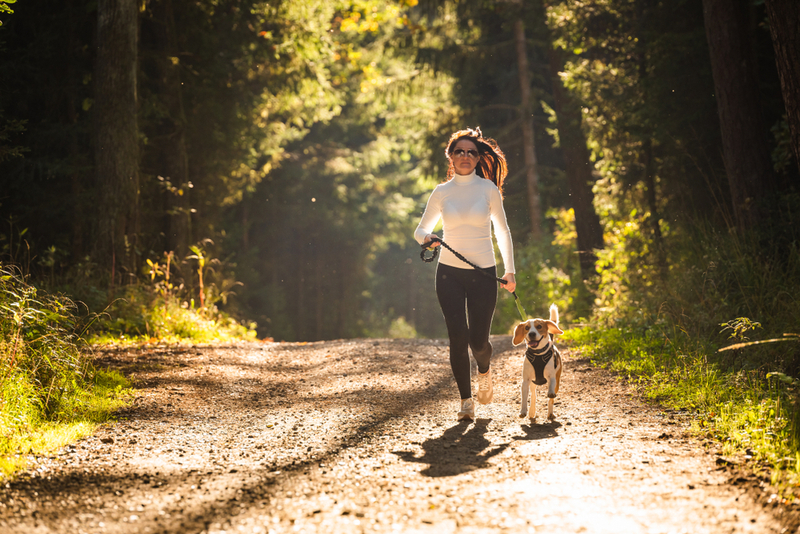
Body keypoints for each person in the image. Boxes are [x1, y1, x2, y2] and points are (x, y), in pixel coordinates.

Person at [414, 127, 516, 421]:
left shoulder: (488, 189)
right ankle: (466, 401)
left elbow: (502, 231)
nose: (465, 156)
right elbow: (420, 230)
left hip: (484, 275)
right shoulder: (441, 192)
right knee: (457, 337)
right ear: (451, 156)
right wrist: (428, 238)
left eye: (471, 152)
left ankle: (484, 370)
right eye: (459, 151)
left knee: (479, 342)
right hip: (449, 274)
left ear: (478, 157)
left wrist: (510, 270)